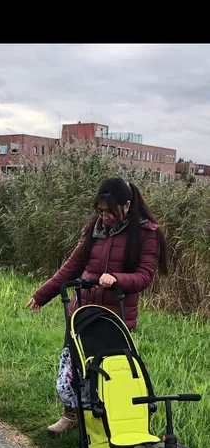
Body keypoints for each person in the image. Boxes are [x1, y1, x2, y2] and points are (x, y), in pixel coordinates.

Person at [25, 177, 168, 434]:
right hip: (81, 311)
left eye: (110, 211)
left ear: (126, 205)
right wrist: (42, 295)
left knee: (107, 372)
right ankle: (71, 415)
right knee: (72, 367)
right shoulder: (94, 228)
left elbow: (145, 276)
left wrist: (117, 279)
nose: (105, 217)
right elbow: (72, 266)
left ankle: (107, 424)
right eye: (100, 211)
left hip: (115, 316)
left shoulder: (147, 233)